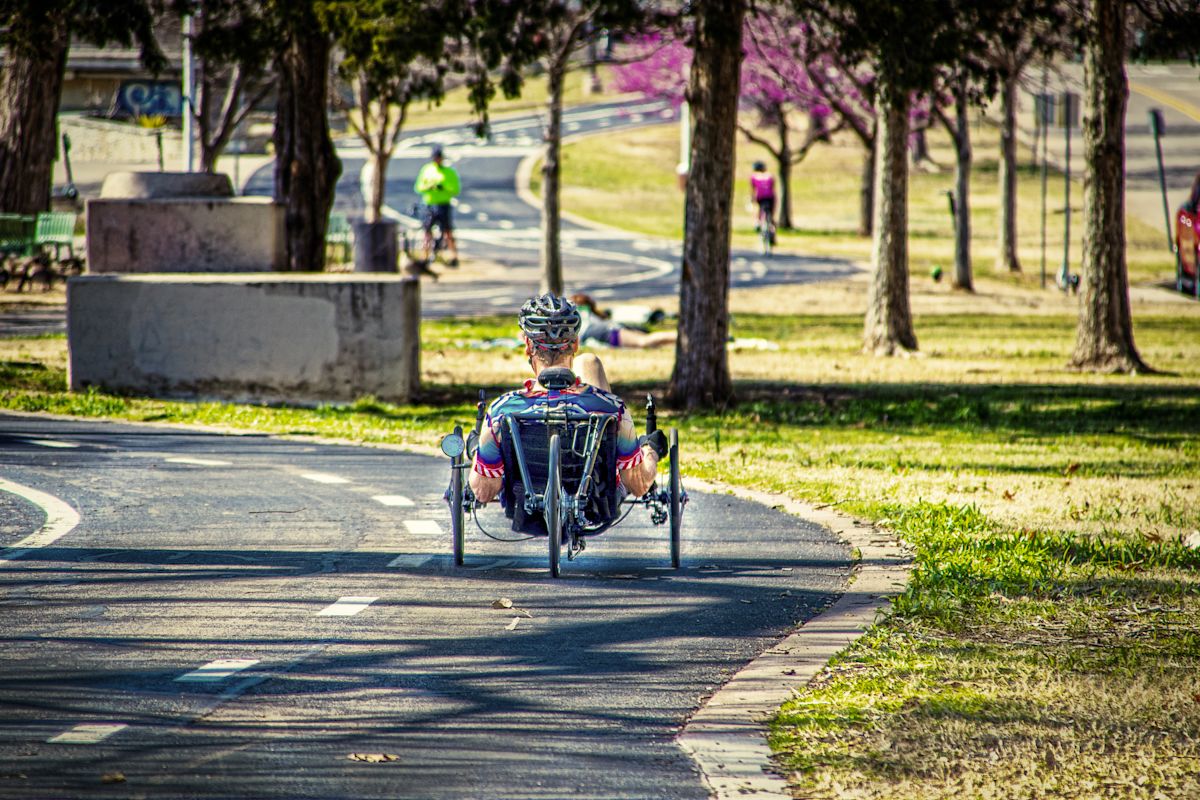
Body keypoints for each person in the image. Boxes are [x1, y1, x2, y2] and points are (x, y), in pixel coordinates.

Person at [468, 293, 667, 506]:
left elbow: (483, 491)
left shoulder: (502, 410)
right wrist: (650, 451)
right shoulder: (611, 408)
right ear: (575, 344)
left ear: (527, 344)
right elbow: (638, 485)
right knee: (590, 363)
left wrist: (477, 454)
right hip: (593, 508)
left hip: (525, 510)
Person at [570, 293, 676, 349]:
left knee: (644, 341)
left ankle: (680, 337)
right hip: (609, 329)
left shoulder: (575, 315)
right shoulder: (590, 315)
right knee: (649, 341)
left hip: (607, 333)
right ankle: (677, 341)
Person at [413, 145, 460, 266]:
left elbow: (455, 189)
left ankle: (454, 256)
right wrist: (429, 187)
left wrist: (443, 187)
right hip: (429, 204)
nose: (437, 160)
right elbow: (418, 187)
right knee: (427, 232)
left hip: (444, 204)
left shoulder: (449, 172)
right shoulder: (427, 170)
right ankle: (425, 256)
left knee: (448, 231)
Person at [749, 160, 776, 241]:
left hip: (760, 197)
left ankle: (758, 223)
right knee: (771, 214)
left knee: (759, 209)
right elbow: (772, 188)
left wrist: (752, 198)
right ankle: (772, 230)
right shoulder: (770, 176)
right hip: (770, 197)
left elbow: (753, 190)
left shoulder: (753, 177)